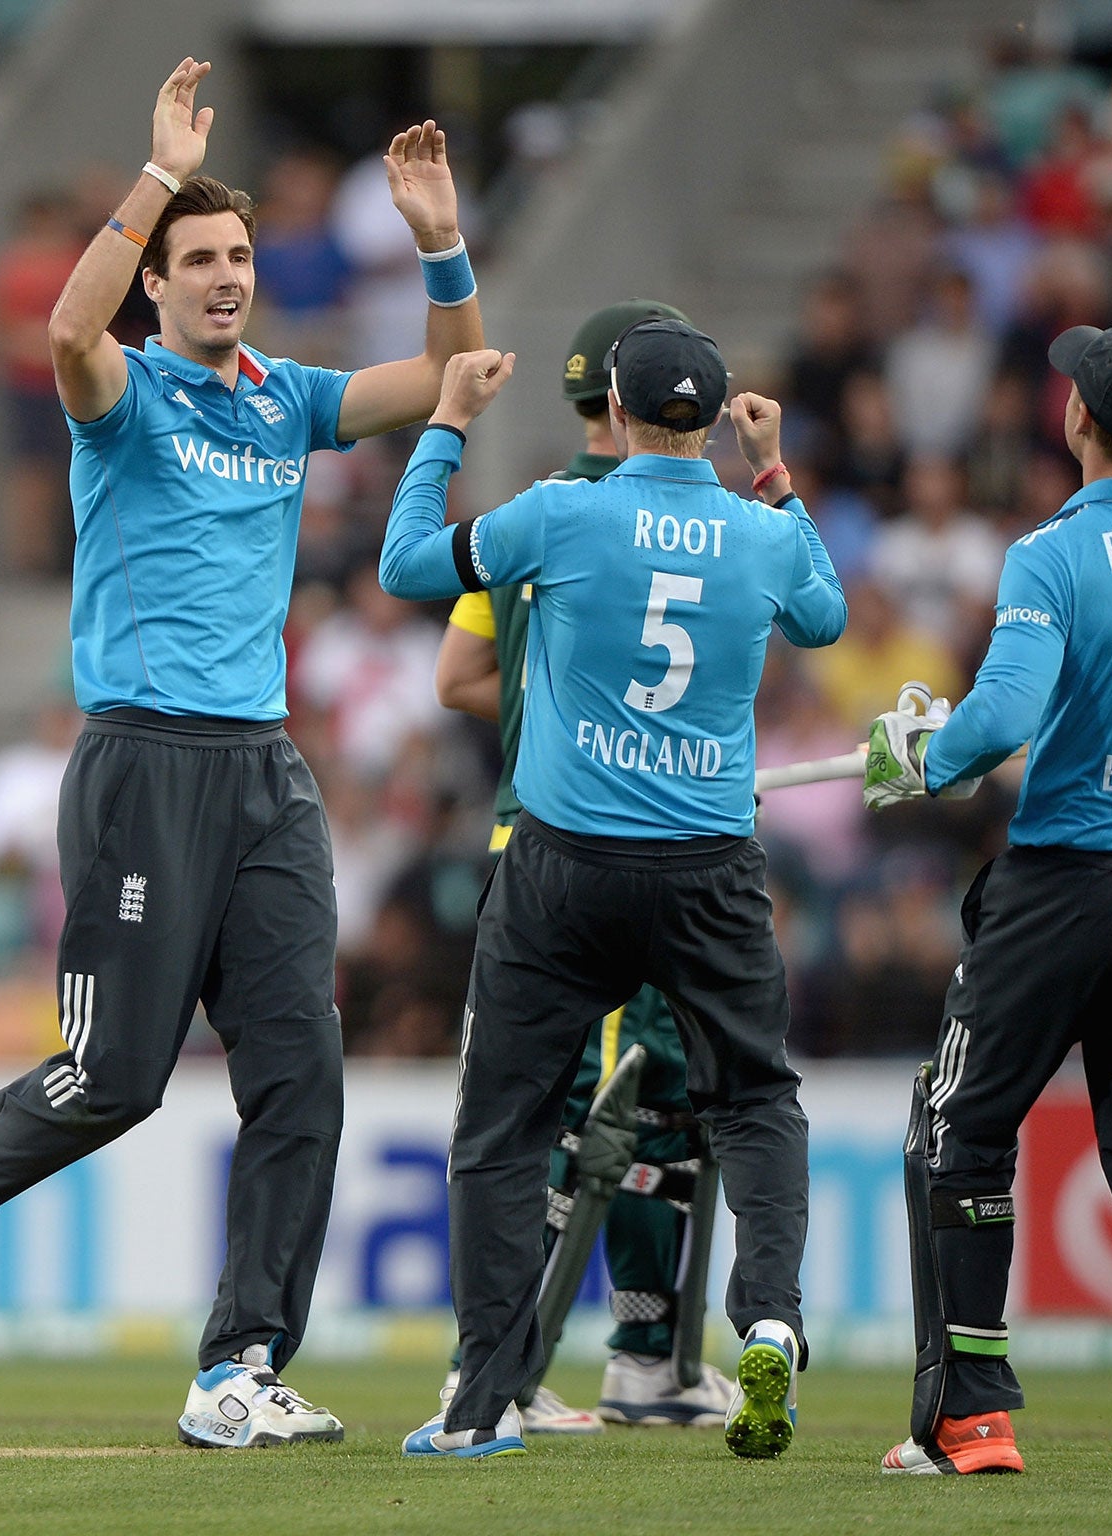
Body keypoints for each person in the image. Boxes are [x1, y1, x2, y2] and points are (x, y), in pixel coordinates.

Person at [0, 56, 483, 1448]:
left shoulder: (286, 397)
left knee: (301, 1080)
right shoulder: (127, 392)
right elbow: (64, 334)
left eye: (239, 255)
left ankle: (236, 1371)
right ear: (156, 280)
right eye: (197, 258)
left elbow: (457, 374)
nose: (224, 276)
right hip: (144, 761)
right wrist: (153, 174)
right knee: (118, 1075)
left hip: (265, 773)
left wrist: (439, 239)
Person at [377, 323, 846, 1459]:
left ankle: (481, 1400)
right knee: (753, 1102)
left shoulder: (562, 512)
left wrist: (443, 423)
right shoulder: (757, 532)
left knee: (502, 1127)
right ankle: (768, 1319)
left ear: (616, 414)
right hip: (707, 869)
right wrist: (772, 473)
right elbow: (824, 617)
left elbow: (401, 564)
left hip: (564, 865)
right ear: (716, 412)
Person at [865, 324, 1112, 1476]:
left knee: (956, 1131)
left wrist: (918, 756)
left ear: (1075, 421)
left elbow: (996, 722)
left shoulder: (1053, 552)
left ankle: (968, 1418)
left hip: (1071, 885)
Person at [429, 299, 735, 1434]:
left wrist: (537, 714)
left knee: (553, 1106)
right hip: (626, 841)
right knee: (620, 1105)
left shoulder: (530, 512)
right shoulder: (656, 519)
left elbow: (458, 676)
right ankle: (537, 1368)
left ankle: (620, 1363)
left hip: (530, 831)